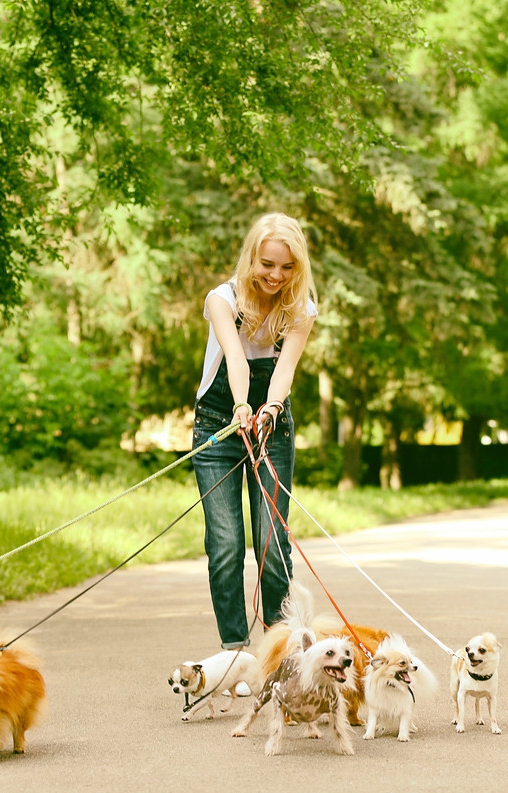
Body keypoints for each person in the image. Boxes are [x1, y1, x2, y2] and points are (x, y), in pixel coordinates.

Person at [191, 212, 318, 649]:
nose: (276, 276)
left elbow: (284, 371)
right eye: (268, 264)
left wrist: (270, 411)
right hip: (218, 427)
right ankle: (233, 654)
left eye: (287, 267)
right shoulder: (221, 300)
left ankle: (277, 651)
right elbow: (237, 361)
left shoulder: (300, 310)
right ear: (251, 258)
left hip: (271, 429)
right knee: (226, 545)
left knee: (271, 542)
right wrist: (243, 406)